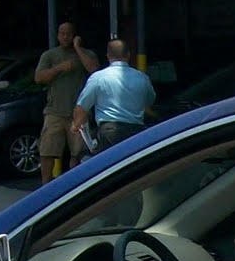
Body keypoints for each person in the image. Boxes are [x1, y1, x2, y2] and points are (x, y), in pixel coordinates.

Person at [34, 22, 100, 182]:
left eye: (68, 34)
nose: (65, 37)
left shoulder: (86, 53)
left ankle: (73, 186)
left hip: (78, 112)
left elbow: (94, 70)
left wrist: (77, 48)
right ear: (57, 35)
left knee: (78, 152)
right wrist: (59, 68)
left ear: (75, 36)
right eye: (62, 33)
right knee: (47, 150)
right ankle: (45, 186)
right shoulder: (49, 55)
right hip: (54, 111)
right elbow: (38, 78)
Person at [71, 39, 156, 151]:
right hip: (136, 133)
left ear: (108, 55)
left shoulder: (98, 78)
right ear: (128, 55)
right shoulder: (142, 78)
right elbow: (150, 100)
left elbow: (81, 108)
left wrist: (76, 124)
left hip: (109, 133)